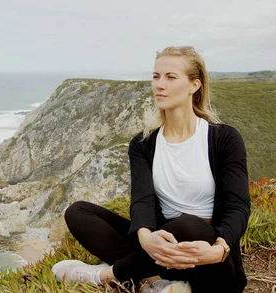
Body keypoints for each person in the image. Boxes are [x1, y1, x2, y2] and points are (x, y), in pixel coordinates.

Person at [52, 46, 250, 293]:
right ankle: (158, 281)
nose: (159, 85)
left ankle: (105, 274)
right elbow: (142, 201)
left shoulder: (224, 138)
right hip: (160, 250)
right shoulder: (143, 144)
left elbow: (238, 206)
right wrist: (146, 237)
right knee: (77, 212)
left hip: (209, 261)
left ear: (194, 86)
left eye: (170, 77)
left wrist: (219, 250)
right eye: (156, 76)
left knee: (188, 225)